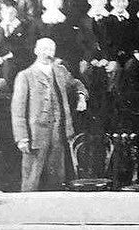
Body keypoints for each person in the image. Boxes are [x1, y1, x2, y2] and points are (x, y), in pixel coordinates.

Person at [10, 37, 87, 192]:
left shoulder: (60, 71)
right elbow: (18, 109)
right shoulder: (25, 75)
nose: (48, 53)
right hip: (35, 135)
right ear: (36, 51)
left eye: (51, 49)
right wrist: (22, 138)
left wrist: (81, 96)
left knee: (56, 178)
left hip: (58, 132)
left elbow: (76, 84)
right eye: (44, 49)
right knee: (31, 179)